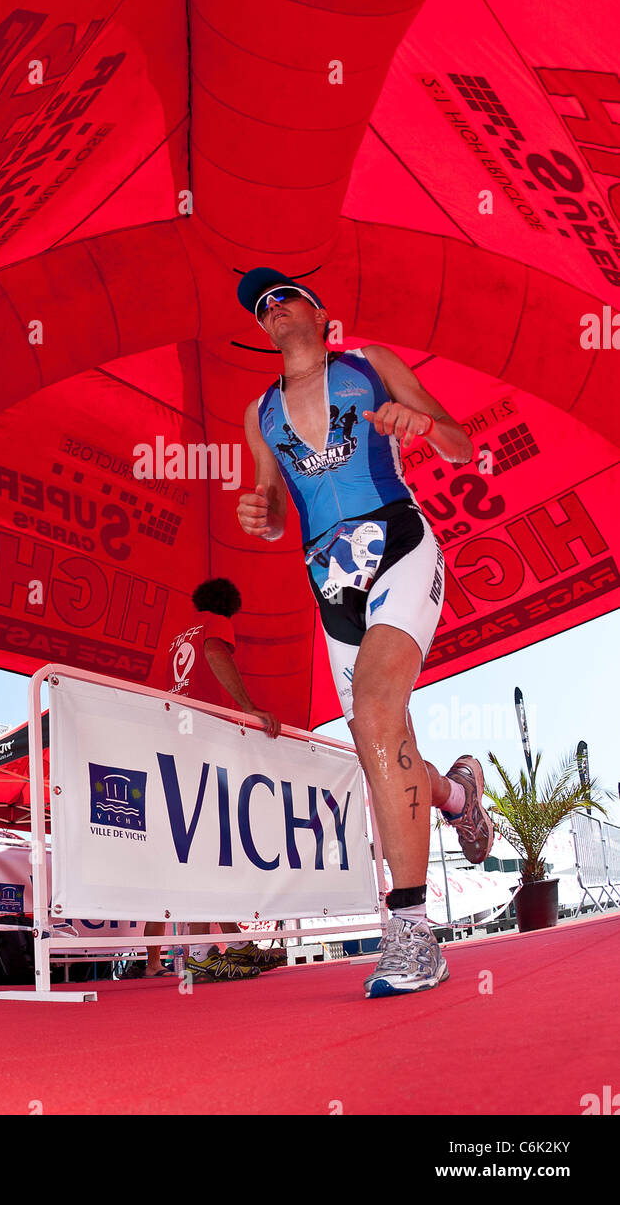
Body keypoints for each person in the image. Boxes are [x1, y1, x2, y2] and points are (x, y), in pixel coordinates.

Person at [235, 268, 494, 998]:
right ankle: (457, 797)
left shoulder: (370, 365)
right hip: (329, 584)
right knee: (388, 745)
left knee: (375, 715)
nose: (272, 309)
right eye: (260, 308)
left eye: (282, 295)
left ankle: (412, 933)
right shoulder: (259, 415)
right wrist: (263, 514)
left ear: (319, 312)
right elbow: (275, 502)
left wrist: (423, 424)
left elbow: (460, 445)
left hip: (399, 545)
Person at [138, 578, 285, 982]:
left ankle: (228, 944)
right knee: (210, 848)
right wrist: (249, 707)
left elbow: (153, 697)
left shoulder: (169, 642)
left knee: (201, 850)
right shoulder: (214, 625)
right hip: (200, 744)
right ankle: (204, 951)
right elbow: (215, 652)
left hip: (172, 750)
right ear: (227, 607)